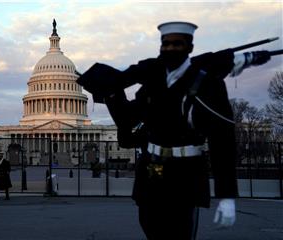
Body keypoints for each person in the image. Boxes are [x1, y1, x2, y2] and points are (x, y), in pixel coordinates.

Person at [77, 21, 272, 239]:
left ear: (189, 47)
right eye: (165, 44)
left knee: (179, 232)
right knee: (150, 225)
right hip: (152, 170)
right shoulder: (152, 84)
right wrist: (110, 92)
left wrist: (227, 197)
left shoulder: (206, 85)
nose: (170, 49)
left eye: (177, 44)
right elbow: (128, 119)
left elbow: (222, 142)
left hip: (185, 171)